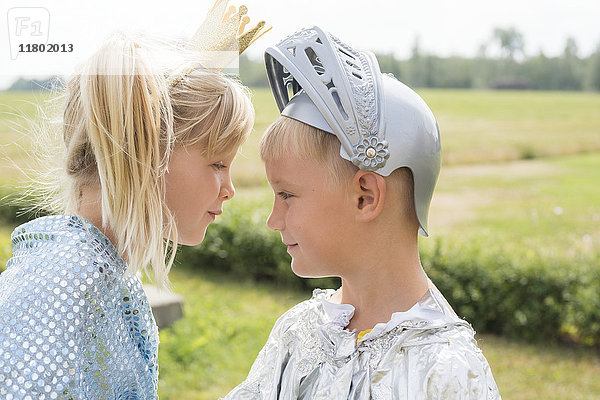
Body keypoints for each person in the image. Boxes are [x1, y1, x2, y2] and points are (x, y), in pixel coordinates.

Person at [0, 2, 267, 397]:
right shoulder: (63, 286)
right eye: (216, 163)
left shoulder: (96, 271)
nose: (229, 188)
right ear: (145, 156)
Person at [223, 26, 501, 399]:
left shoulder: (446, 370)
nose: (273, 220)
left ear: (365, 197)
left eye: (287, 195)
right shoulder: (298, 332)